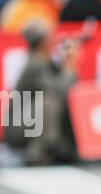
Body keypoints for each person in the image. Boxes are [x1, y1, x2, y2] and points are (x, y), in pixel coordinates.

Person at [4, 21, 77, 165]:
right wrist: (70, 69)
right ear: (42, 41)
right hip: (18, 126)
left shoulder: (44, 62)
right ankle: (41, 150)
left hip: (29, 121)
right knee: (49, 103)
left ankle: (64, 148)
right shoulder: (34, 65)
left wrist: (64, 64)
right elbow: (59, 90)